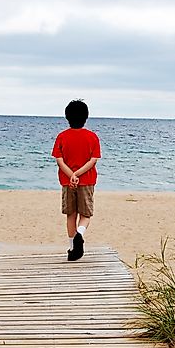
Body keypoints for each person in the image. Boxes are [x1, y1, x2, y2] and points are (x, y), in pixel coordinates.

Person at [52, 100, 101, 261]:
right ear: (86, 117)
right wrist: (78, 174)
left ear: (67, 117)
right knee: (85, 215)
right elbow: (93, 160)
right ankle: (80, 233)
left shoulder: (62, 136)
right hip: (86, 181)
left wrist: (71, 175)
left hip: (67, 182)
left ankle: (73, 248)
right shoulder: (92, 137)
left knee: (71, 214)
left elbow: (59, 160)